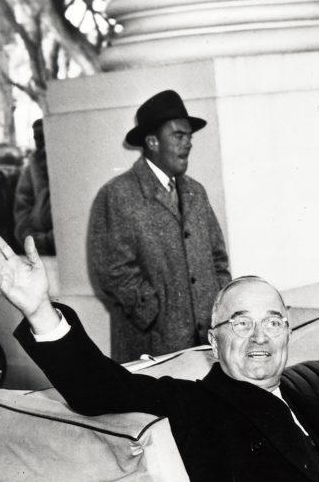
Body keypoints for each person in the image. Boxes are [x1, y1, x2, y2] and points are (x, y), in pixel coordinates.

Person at [0, 229, 319, 482]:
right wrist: (40, 310)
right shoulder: (193, 404)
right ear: (213, 340)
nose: (260, 338)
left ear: (288, 332)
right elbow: (98, 388)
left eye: (272, 322)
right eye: (241, 323)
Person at [88, 89, 231, 362]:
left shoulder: (195, 192)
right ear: (152, 141)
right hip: (152, 348)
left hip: (206, 345)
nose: (188, 143)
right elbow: (113, 272)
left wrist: (218, 309)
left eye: (189, 136)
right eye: (178, 135)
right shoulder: (118, 194)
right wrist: (154, 314)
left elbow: (218, 259)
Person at [13, 119, 55, 255]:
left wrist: (52, 239)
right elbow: (22, 207)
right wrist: (29, 237)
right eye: (37, 139)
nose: (41, 143)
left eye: (45, 137)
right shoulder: (30, 170)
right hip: (37, 245)